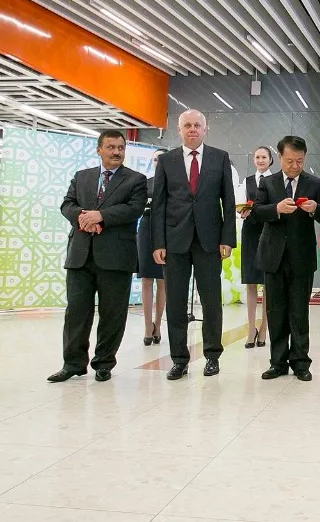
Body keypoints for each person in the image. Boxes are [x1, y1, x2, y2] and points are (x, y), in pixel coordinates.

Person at [48, 131, 149, 383]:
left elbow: (134, 209)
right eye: (111, 147)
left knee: (112, 314)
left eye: (120, 148)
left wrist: (101, 216)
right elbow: (67, 204)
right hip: (80, 255)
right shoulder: (82, 176)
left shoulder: (136, 180)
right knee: (76, 312)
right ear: (99, 150)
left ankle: (104, 363)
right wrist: (83, 217)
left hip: (116, 257)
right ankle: (73, 364)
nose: (116, 152)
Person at [152, 109, 237, 380]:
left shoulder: (219, 157)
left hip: (209, 240)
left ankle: (212, 355)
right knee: (175, 302)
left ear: (205, 129)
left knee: (211, 301)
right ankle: (179, 359)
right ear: (179, 130)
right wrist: (158, 242)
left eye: (197, 125)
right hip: (174, 241)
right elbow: (159, 204)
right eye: (187, 125)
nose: (192, 129)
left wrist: (227, 239)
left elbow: (229, 200)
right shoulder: (166, 160)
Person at [253, 135, 320, 381]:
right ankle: (277, 362)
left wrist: (315, 209)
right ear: (279, 157)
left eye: (299, 161)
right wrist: (276, 209)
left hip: (302, 257)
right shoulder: (268, 183)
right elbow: (256, 212)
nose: (295, 166)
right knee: (275, 311)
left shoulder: (314, 183)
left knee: (299, 312)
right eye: (289, 161)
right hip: (273, 256)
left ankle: (300, 362)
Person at [240, 145, 274, 348]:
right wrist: (242, 211)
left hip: (269, 232)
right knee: (251, 281)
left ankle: (264, 328)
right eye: (257, 157)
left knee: (267, 282)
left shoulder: (275, 180)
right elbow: (239, 203)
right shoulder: (247, 181)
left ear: (271, 160)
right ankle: (251, 328)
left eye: (264, 157)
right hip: (250, 232)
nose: (260, 160)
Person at [137, 149, 166, 346]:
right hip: (146, 229)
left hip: (166, 231)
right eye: (155, 159)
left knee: (163, 279)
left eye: (161, 159)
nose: (158, 162)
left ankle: (158, 324)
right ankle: (148, 326)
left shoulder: (175, 184)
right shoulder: (145, 183)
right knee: (146, 278)